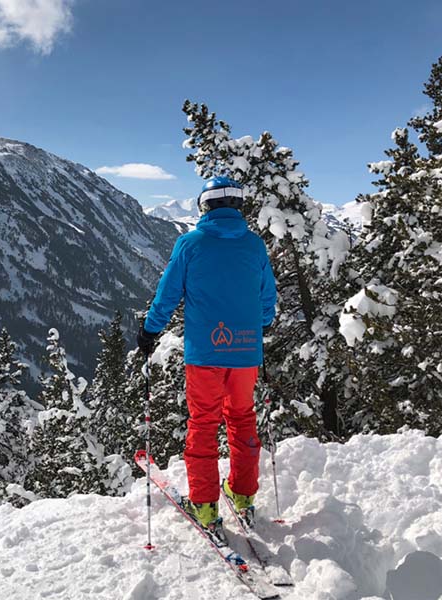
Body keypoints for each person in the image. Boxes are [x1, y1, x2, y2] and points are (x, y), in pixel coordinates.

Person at [137, 176, 277, 536]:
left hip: (205, 354)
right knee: (243, 419)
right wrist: (258, 325)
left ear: (206, 206)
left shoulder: (190, 244)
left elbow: (168, 294)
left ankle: (204, 503)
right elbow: (267, 300)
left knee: (203, 423)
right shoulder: (255, 246)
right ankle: (243, 495)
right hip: (246, 352)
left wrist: (151, 331)